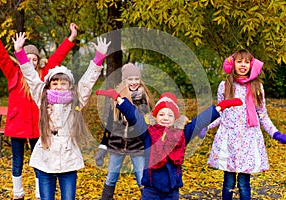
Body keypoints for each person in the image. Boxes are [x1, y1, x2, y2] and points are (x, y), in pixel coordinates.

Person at [0, 14, 78, 200]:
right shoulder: (13, 73)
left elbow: (58, 56)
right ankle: (18, 192)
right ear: (21, 59)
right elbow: (1, 55)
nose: (31, 62)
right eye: (27, 59)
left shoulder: (43, 76)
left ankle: (39, 193)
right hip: (17, 125)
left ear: (38, 61)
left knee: (41, 161)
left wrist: (71, 38)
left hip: (39, 126)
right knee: (18, 161)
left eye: (34, 59)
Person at [13, 32, 111, 200]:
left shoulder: (76, 99)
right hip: (45, 158)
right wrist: (20, 52)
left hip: (68, 158)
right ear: (49, 85)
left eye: (63, 83)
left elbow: (87, 82)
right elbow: (31, 77)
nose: (58, 86)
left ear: (69, 85)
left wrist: (99, 57)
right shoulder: (42, 98)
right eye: (55, 83)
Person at [96, 88, 243, 199]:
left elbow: (199, 122)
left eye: (170, 115)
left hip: (172, 190)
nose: (165, 117)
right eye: (161, 114)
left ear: (176, 119)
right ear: (155, 116)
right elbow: (135, 117)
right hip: (150, 190)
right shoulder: (148, 133)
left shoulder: (182, 135)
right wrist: (119, 99)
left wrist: (220, 107)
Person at [205, 49, 286, 200]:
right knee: (228, 181)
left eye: (247, 62)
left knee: (244, 183)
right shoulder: (225, 85)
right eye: (239, 61)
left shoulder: (257, 87)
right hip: (229, 139)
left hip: (248, 139)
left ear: (251, 65)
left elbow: (262, 114)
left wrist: (275, 133)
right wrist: (204, 127)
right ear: (233, 64)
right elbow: (221, 113)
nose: (243, 65)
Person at [95, 63, 155, 199]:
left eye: (136, 79)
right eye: (130, 79)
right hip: (117, 145)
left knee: (142, 179)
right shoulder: (116, 99)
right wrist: (103, 147)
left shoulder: (145, 99)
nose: (134, 82)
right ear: (124, 81)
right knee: (111, 177)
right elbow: (109, 124)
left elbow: (149, 125)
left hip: (137, 145)